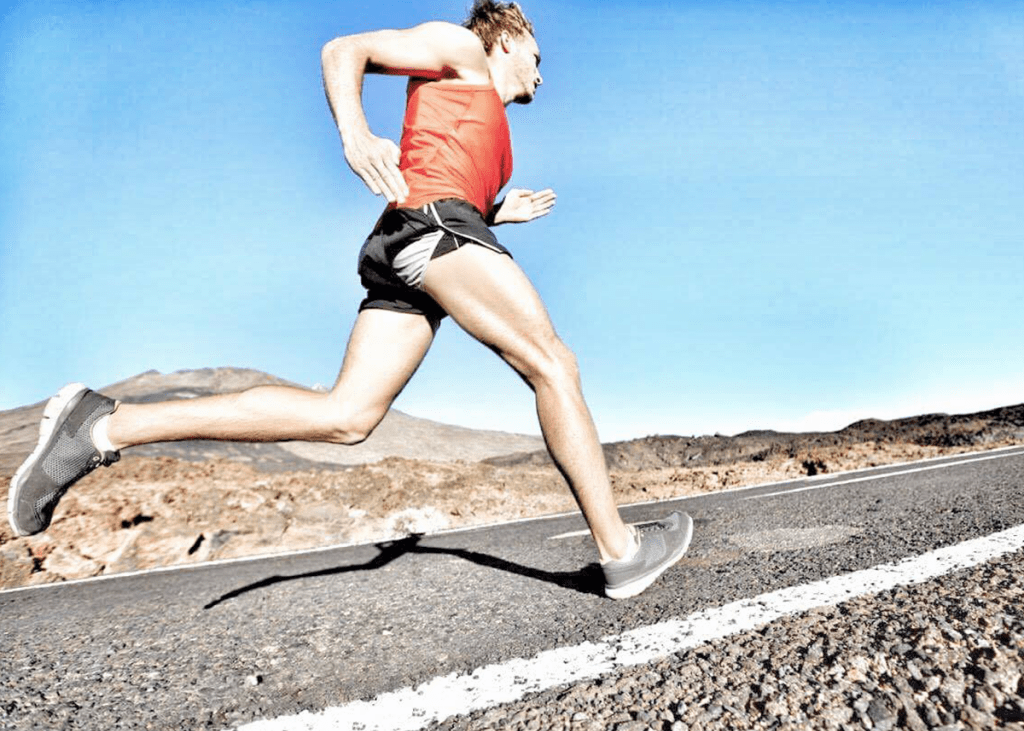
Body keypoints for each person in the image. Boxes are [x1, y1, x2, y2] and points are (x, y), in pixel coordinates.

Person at [6, 1, 692, 599]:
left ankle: (104, 427)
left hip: (415, 242)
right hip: (434, 229)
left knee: (347, 416)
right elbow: (344, 49)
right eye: (539, 56)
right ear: (507, 36)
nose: (542, 74)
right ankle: (622, 553)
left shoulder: (494, 137)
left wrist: (494, 210)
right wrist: (356, 135)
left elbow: (443, 167)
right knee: (553, 365)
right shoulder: (461, 50)